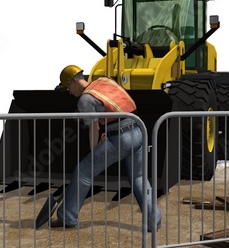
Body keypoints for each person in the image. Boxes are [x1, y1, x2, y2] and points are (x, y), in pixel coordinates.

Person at [50, 64, 162, 231]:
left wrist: (95, 151)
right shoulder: (104, 81)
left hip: (121, 138)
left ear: (74, 81)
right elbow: (117, 107)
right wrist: (109, 133)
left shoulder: (85, 99)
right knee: (139, 178)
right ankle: (154, 222)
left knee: (83, 172)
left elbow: (94, 128)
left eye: (67, 87)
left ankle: (68, 217)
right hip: (138, 130)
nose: (68, 92)